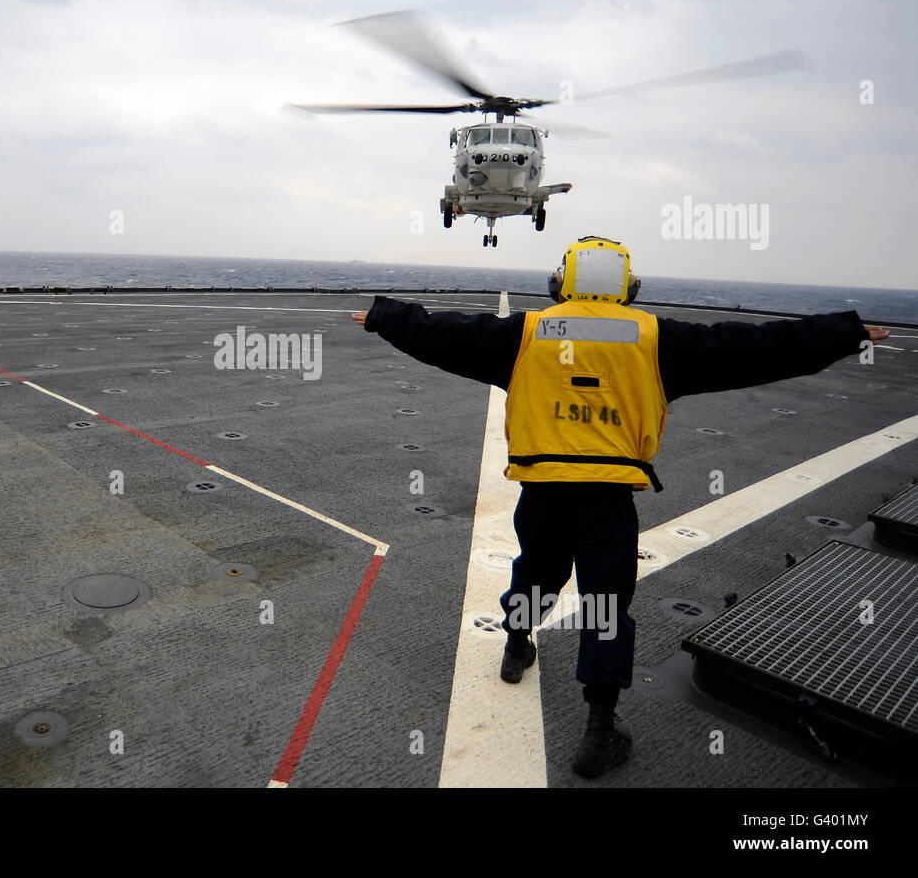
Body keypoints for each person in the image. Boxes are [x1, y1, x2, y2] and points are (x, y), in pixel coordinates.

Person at [353, 236, 890, 779]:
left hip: (544, 493)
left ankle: (517, 645)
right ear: (629, 287)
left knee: (536, 574)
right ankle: (599, 733)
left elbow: (444, 334)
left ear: (559, 282)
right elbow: (754, 347)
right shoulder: (658, 341)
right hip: (607, 503)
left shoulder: (526, 334)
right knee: (606, 608)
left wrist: (383, 315)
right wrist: (841, 334)